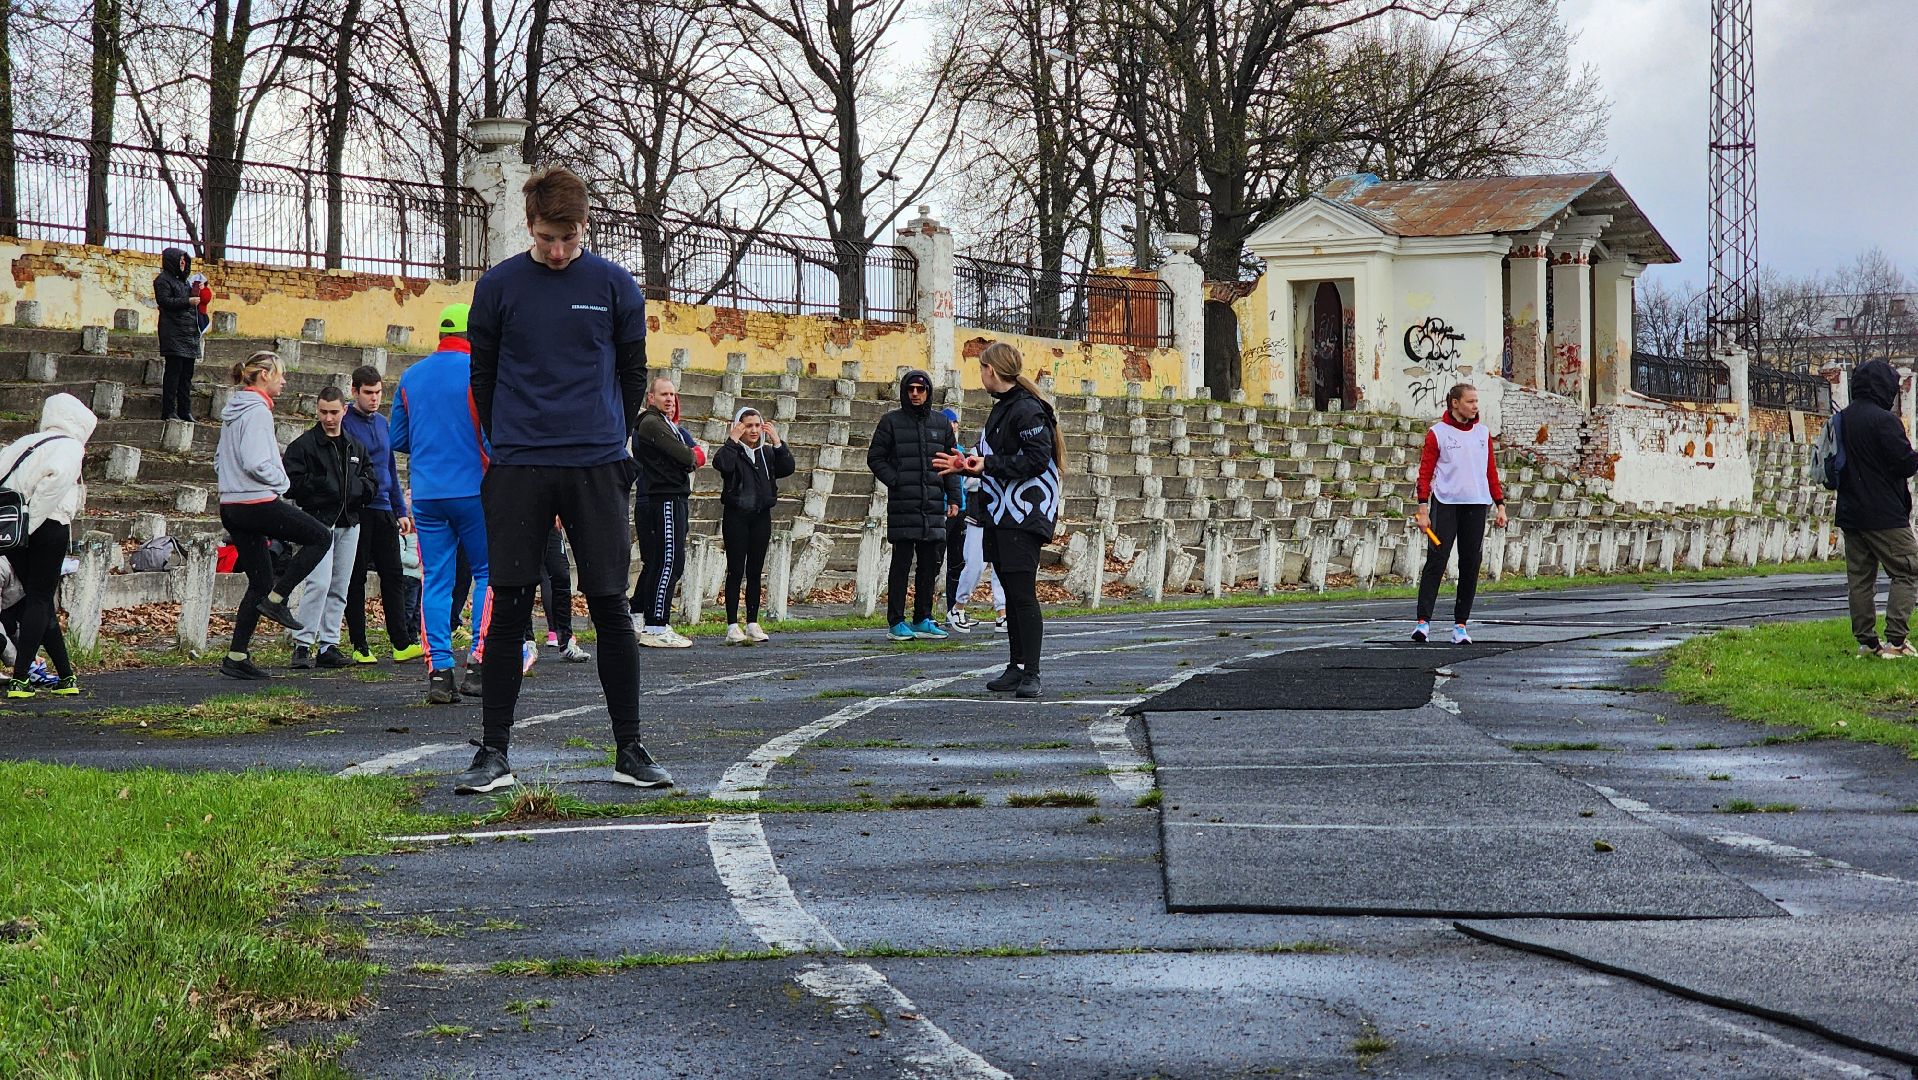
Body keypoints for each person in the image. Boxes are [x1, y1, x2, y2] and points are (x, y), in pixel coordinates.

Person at [462, 165, 672, 793]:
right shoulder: (498, 285)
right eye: (548, 238)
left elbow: (632, 373)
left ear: (586, 227)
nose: (558, 251)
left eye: (570, 239)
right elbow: (485, 376)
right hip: (521, 463)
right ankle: (493, 752)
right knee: (509, 606)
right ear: (529, 226)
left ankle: (629, 749)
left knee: (609, 602)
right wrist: (509, 441)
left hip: (596, 462)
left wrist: (609, 435)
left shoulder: (614, 284)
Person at [932, 343, 1061, 698]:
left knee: (1022, 594)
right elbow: (991, 455)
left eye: (981, 368)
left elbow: (1036, 460)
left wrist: (989, 465)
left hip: (1023, 514)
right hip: (998, 513)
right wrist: (967, 463)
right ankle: (1016, 666)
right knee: (1011, 588)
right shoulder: (1004, 409)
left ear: (992, 370)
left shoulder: (1027, 410)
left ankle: (1032, 671)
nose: (981, 375)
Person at [391, 304, 495, 704]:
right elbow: (491, 437)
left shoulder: (411, 376)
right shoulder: (479, 373)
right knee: (488, 575)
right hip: (475, 491)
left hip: (428, 493)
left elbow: (398, 437)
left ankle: (439, 672)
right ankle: (479, 664)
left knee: (435, 580)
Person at [215, 351, 333, 679]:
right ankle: (279, 599)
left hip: (232, 505)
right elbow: (256, 461)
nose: (284, 381)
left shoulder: (233, 411)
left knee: (259, 580)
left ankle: (237, 655)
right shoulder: (256, 411)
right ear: (264, 375)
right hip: (255, 504)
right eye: (280, 374)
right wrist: (282, 482)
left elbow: (219, 458)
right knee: (321, 536)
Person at [0, 393, 95, 698]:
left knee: (41, 603)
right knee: (40, 599)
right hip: (47, 525)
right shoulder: (69, 447)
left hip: (12, 530)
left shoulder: (25, 442)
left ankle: (67, 676)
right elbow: (54, 486)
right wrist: (33, 524)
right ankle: (21, 678)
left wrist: (20, 529)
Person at [281, 386, 375, 669]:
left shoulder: (355, 446)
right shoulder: (304, 445)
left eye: (334, 412)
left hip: (349, 521)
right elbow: (291, 484)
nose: (328, 418)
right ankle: (302, 644)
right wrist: (325, 488)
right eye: (323, 412)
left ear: (344, 410)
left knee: (339, 586)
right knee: (318, 584)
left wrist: (357, 491)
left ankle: (329, 644)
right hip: (317, 523)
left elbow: (371, 480)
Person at [869, 368, 960, 641]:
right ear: (904, 392)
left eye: (921, 390)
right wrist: (896, 481)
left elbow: (952, 463)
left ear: (928, 392)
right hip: (904, 504)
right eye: (911, 390)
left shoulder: (941, 424)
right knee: (901, 563)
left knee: (929, 564)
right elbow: (875, 458)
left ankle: (922, 617)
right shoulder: (890, 422)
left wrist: (954, 496)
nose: (916, 394)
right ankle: (896, 621)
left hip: (932, 506)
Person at [1412, 382, 1507, 644]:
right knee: (1437, 559)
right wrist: (1423, 508)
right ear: (1455, 403)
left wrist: (1500, 504)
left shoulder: (1483, 433)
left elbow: (1490, 472)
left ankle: (1460, 626)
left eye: (1477, 402)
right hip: (1445, 504)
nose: (1475, 406)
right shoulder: (1437, 433)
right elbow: (1425, 472)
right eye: (1470, 402)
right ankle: (1423, 623)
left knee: (1470, 564)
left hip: (1477, 505)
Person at [1835, 359, 1918, 658]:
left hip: (1850, 512)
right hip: (1884, 514)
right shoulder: (1885, 420)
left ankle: (1867, 643)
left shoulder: (1842, 418)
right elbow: (1905, 464)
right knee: (1908, 569)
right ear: (1883, 387)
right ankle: (1896, 641)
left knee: (1860, 579)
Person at [341, 364, 424, 665]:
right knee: (357, 577)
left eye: (378, 393)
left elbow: (389, 466)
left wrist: (400, 509)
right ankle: (359, 644)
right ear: (355, 392)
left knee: (394, 575)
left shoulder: (381, 423)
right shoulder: (345, 422)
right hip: (360, 509)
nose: (374, 398)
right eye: (368, 393)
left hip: (385, 509)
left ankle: (401, 642)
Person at [630, 375, 701, 649]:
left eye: (672, 394)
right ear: (651, 398)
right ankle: (656, 624)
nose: (670, 399)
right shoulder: (651, 423)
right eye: (663, 395)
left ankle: (644, 616)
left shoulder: (666, 424)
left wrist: (688, 457)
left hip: (670, 496)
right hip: (665, 498)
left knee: (664, 561)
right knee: (669, 561)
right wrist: (689, 458)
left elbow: (687, 455)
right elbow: (688, 457)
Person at [712, 406, 794, 644]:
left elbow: (787, 467)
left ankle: (752, 622)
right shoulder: (733, 452)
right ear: (739, 426)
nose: (754, 430)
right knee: (736, 570)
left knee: (755, 571)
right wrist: (733, 440)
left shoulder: (767, 454)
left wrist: (778, 442)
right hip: (736, 516)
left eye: (758, 425)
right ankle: (731, 625)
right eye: (748, 425)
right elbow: (722, 465)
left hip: (761, 515)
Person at [940, 408, 1006, 635]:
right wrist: (986, 472)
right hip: (978, 513)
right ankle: (958, 607)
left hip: (999, 512)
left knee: (1000, 564)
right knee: (975, 564)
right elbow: (968, 482)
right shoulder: (977, 450)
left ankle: (1002, 613)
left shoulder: (1008, 452)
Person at [153, 247, 201, 423]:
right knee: (173, 374)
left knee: (186, 376)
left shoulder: (185, 283)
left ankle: (185, 410)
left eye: (184, 261)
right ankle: (169, 411)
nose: (183, 264)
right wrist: (187, 301)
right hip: (173, 333)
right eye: (180, 261)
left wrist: (199, 290)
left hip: (188, 333)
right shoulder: (162, 280)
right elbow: (165, 301)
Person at [540, 524, 591, 661]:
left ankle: (566, 640)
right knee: (524, 581)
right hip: (523, 517)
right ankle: (526, 641)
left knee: (560, 575)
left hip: (549, 520)